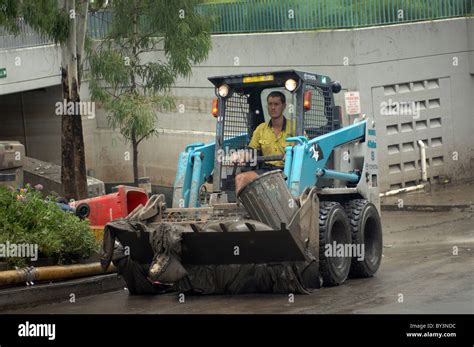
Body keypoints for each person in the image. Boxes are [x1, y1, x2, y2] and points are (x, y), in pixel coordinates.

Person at [234, 91, 295, 193]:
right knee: (240, 179)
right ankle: (243, 208)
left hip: (288, 171)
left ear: (284, 106)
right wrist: (241, 155)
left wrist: (293, 155)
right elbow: (251, 150)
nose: (273, 107)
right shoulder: (261, 129)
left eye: (276, 104)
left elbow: (306, 148)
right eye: (270, 104)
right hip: (267, 171)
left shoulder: (294, 127)